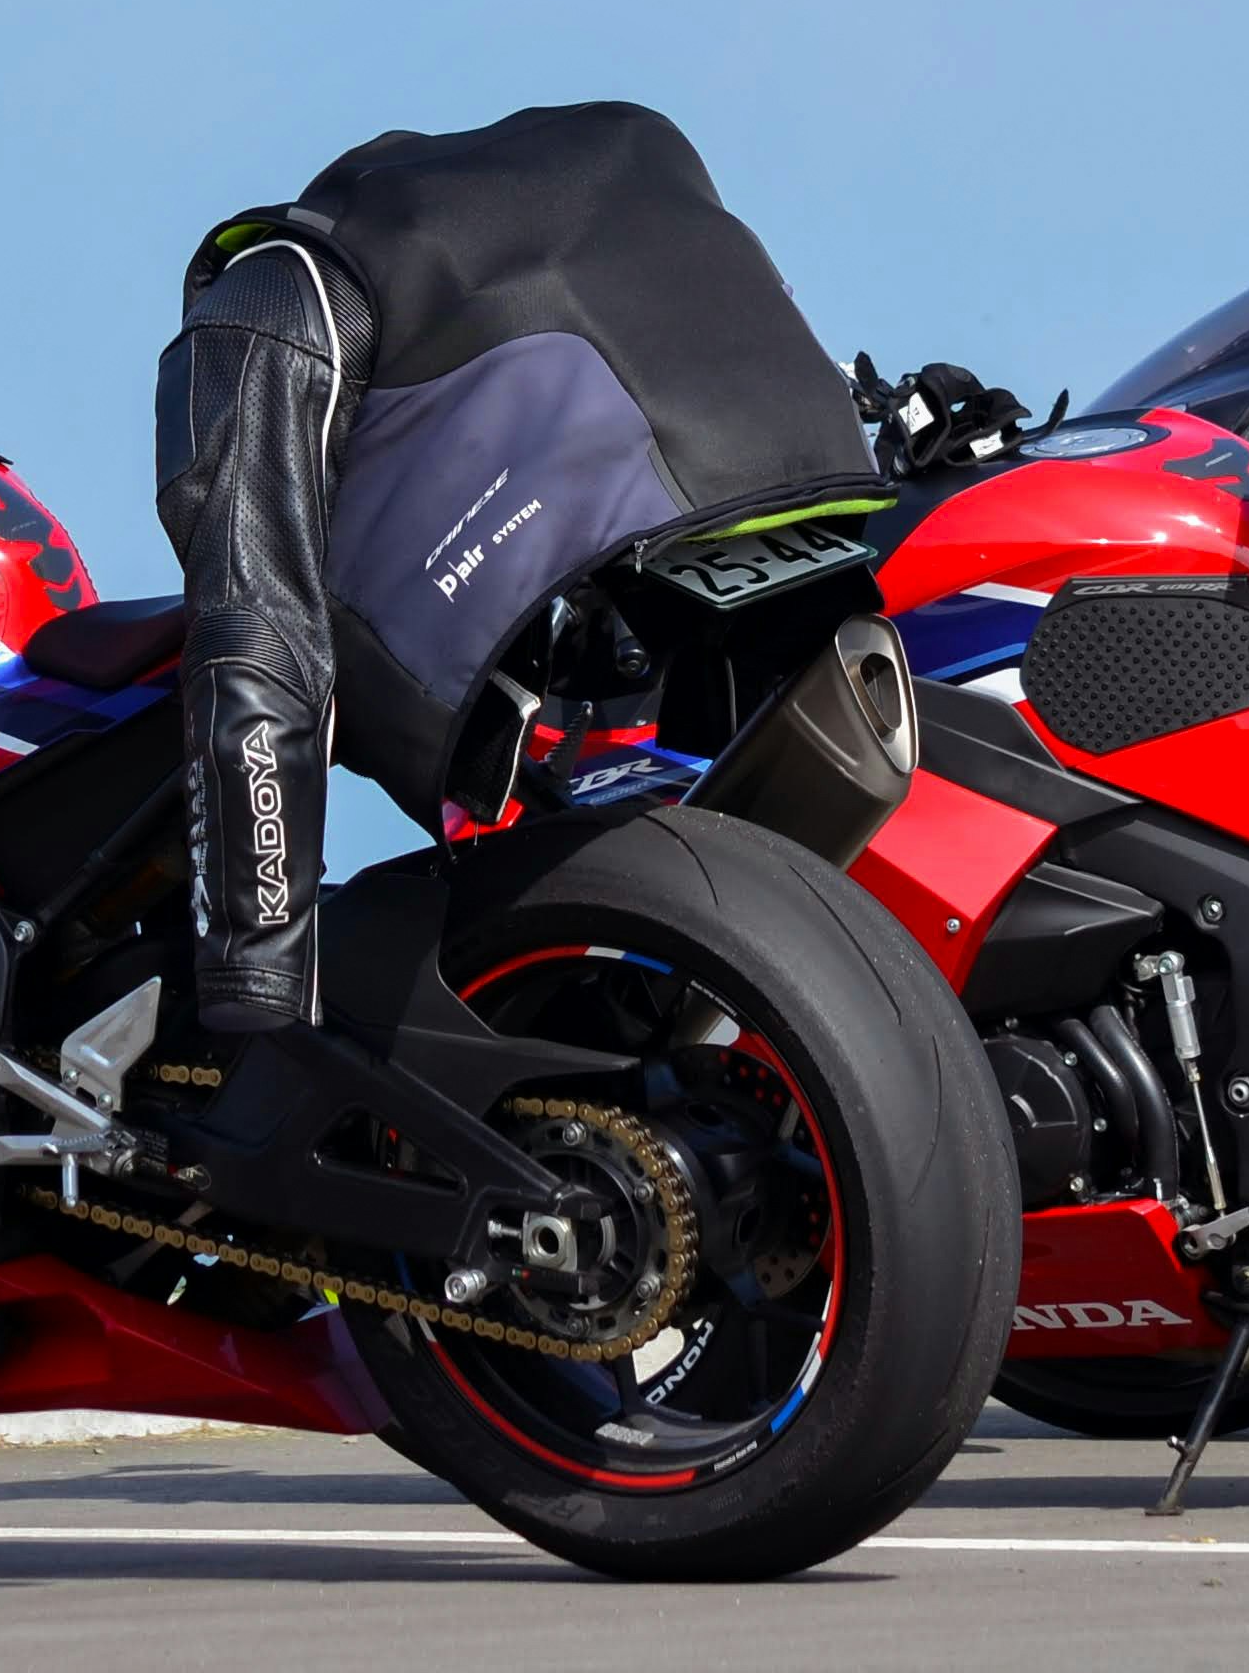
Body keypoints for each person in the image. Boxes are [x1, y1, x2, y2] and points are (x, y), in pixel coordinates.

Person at [154, 102, 870, 1035]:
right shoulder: (618, 183)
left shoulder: (265, 294)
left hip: (604, 573)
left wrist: (255, 983)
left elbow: (253, 633)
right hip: (811, 492)